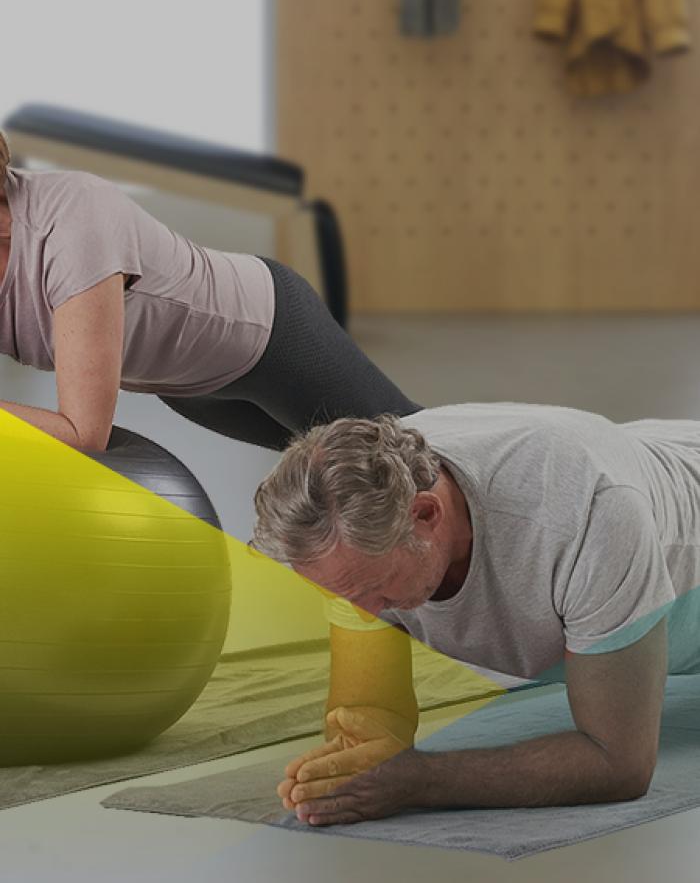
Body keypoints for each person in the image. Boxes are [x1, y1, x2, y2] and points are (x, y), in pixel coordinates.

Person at [251, 402, 700, 825]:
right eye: (340, 594)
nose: (360, 613)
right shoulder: (354, 519)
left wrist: (419, 782)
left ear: (425, 514)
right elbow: (370, 718)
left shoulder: (592, 517)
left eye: (372, 588)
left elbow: (619, 761)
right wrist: (352, 764)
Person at [0, 130, 419, 452]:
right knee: (343, 485)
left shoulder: (70, 224)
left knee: (421, 454)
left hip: (271, 335)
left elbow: (84, 434)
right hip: (189, 386)